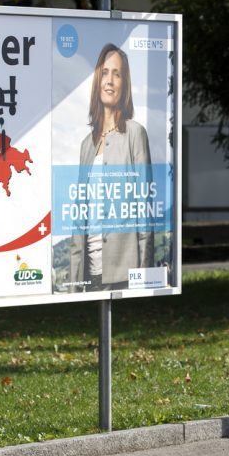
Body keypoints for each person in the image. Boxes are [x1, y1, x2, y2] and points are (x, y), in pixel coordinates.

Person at [69, 43, 154, 291]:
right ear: (97, 81)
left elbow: (144, 208)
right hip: (91, 273)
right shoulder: (87, 145)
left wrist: (144, 276)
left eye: (116, 74)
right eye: (105, 73)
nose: (109, 81)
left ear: (124, 84)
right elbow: (78, 220)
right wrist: (75, 282)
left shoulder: (135, 134)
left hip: (125, 274)